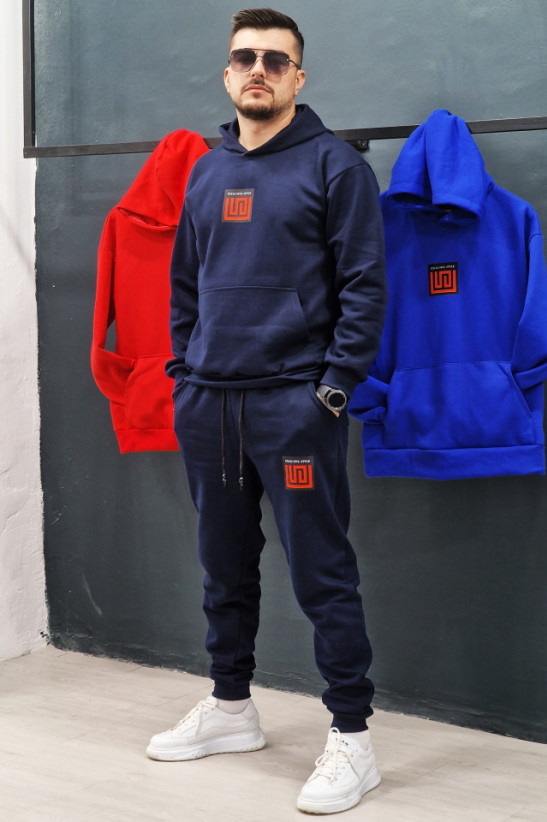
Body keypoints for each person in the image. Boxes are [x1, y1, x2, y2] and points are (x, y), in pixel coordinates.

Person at [146, 8, 387, 815]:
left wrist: (331, 390)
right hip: (209, 406)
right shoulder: (206, 172)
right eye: (245, 57)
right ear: (227, 73)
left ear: (297, 77)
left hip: (294, 407)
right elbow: (185, 285)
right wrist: (185, 376)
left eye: (275, 60)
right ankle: (230, 707)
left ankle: (353, 739)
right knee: (223, 565)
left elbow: (365, 288)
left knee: (322, 574)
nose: (258, 69)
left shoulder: (335, 167)